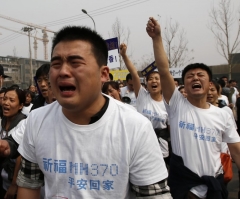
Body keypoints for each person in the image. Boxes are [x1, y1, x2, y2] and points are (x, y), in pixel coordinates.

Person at [15, 26, 170, 199]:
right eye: (56, 64)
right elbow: (28, 184)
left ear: (103, 74)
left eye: (76, 63)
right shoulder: (37, 120)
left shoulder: (135, 127)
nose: (63, 72)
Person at [146, 17, 240, 199]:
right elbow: (164, 71)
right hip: (185, 188)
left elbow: (235, 149)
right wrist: (157, 38)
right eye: (190, 76)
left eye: (200, 75)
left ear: (209, 83)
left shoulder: (223, 115)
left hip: (215, 187)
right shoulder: (177, 105)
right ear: (184, 84)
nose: (195, 78)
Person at [119, 43, 170, 165]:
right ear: (146, 83)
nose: (154, 81)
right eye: (150, 79)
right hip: (143, 147)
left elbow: (171, 130)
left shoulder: (168, 103)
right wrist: (124, 55)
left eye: (157, 79)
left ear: (162, 83)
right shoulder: (142, 96)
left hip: (162, 151)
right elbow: (134, 73)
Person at [0, 87, 26, 199]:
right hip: (3, 180)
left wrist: (14, 185)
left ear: (20, 105)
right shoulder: (2, 121)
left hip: (16, 185)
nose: (6, 103)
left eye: (11, 100)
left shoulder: (24, 124)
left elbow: (21, 156)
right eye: (5, 99)